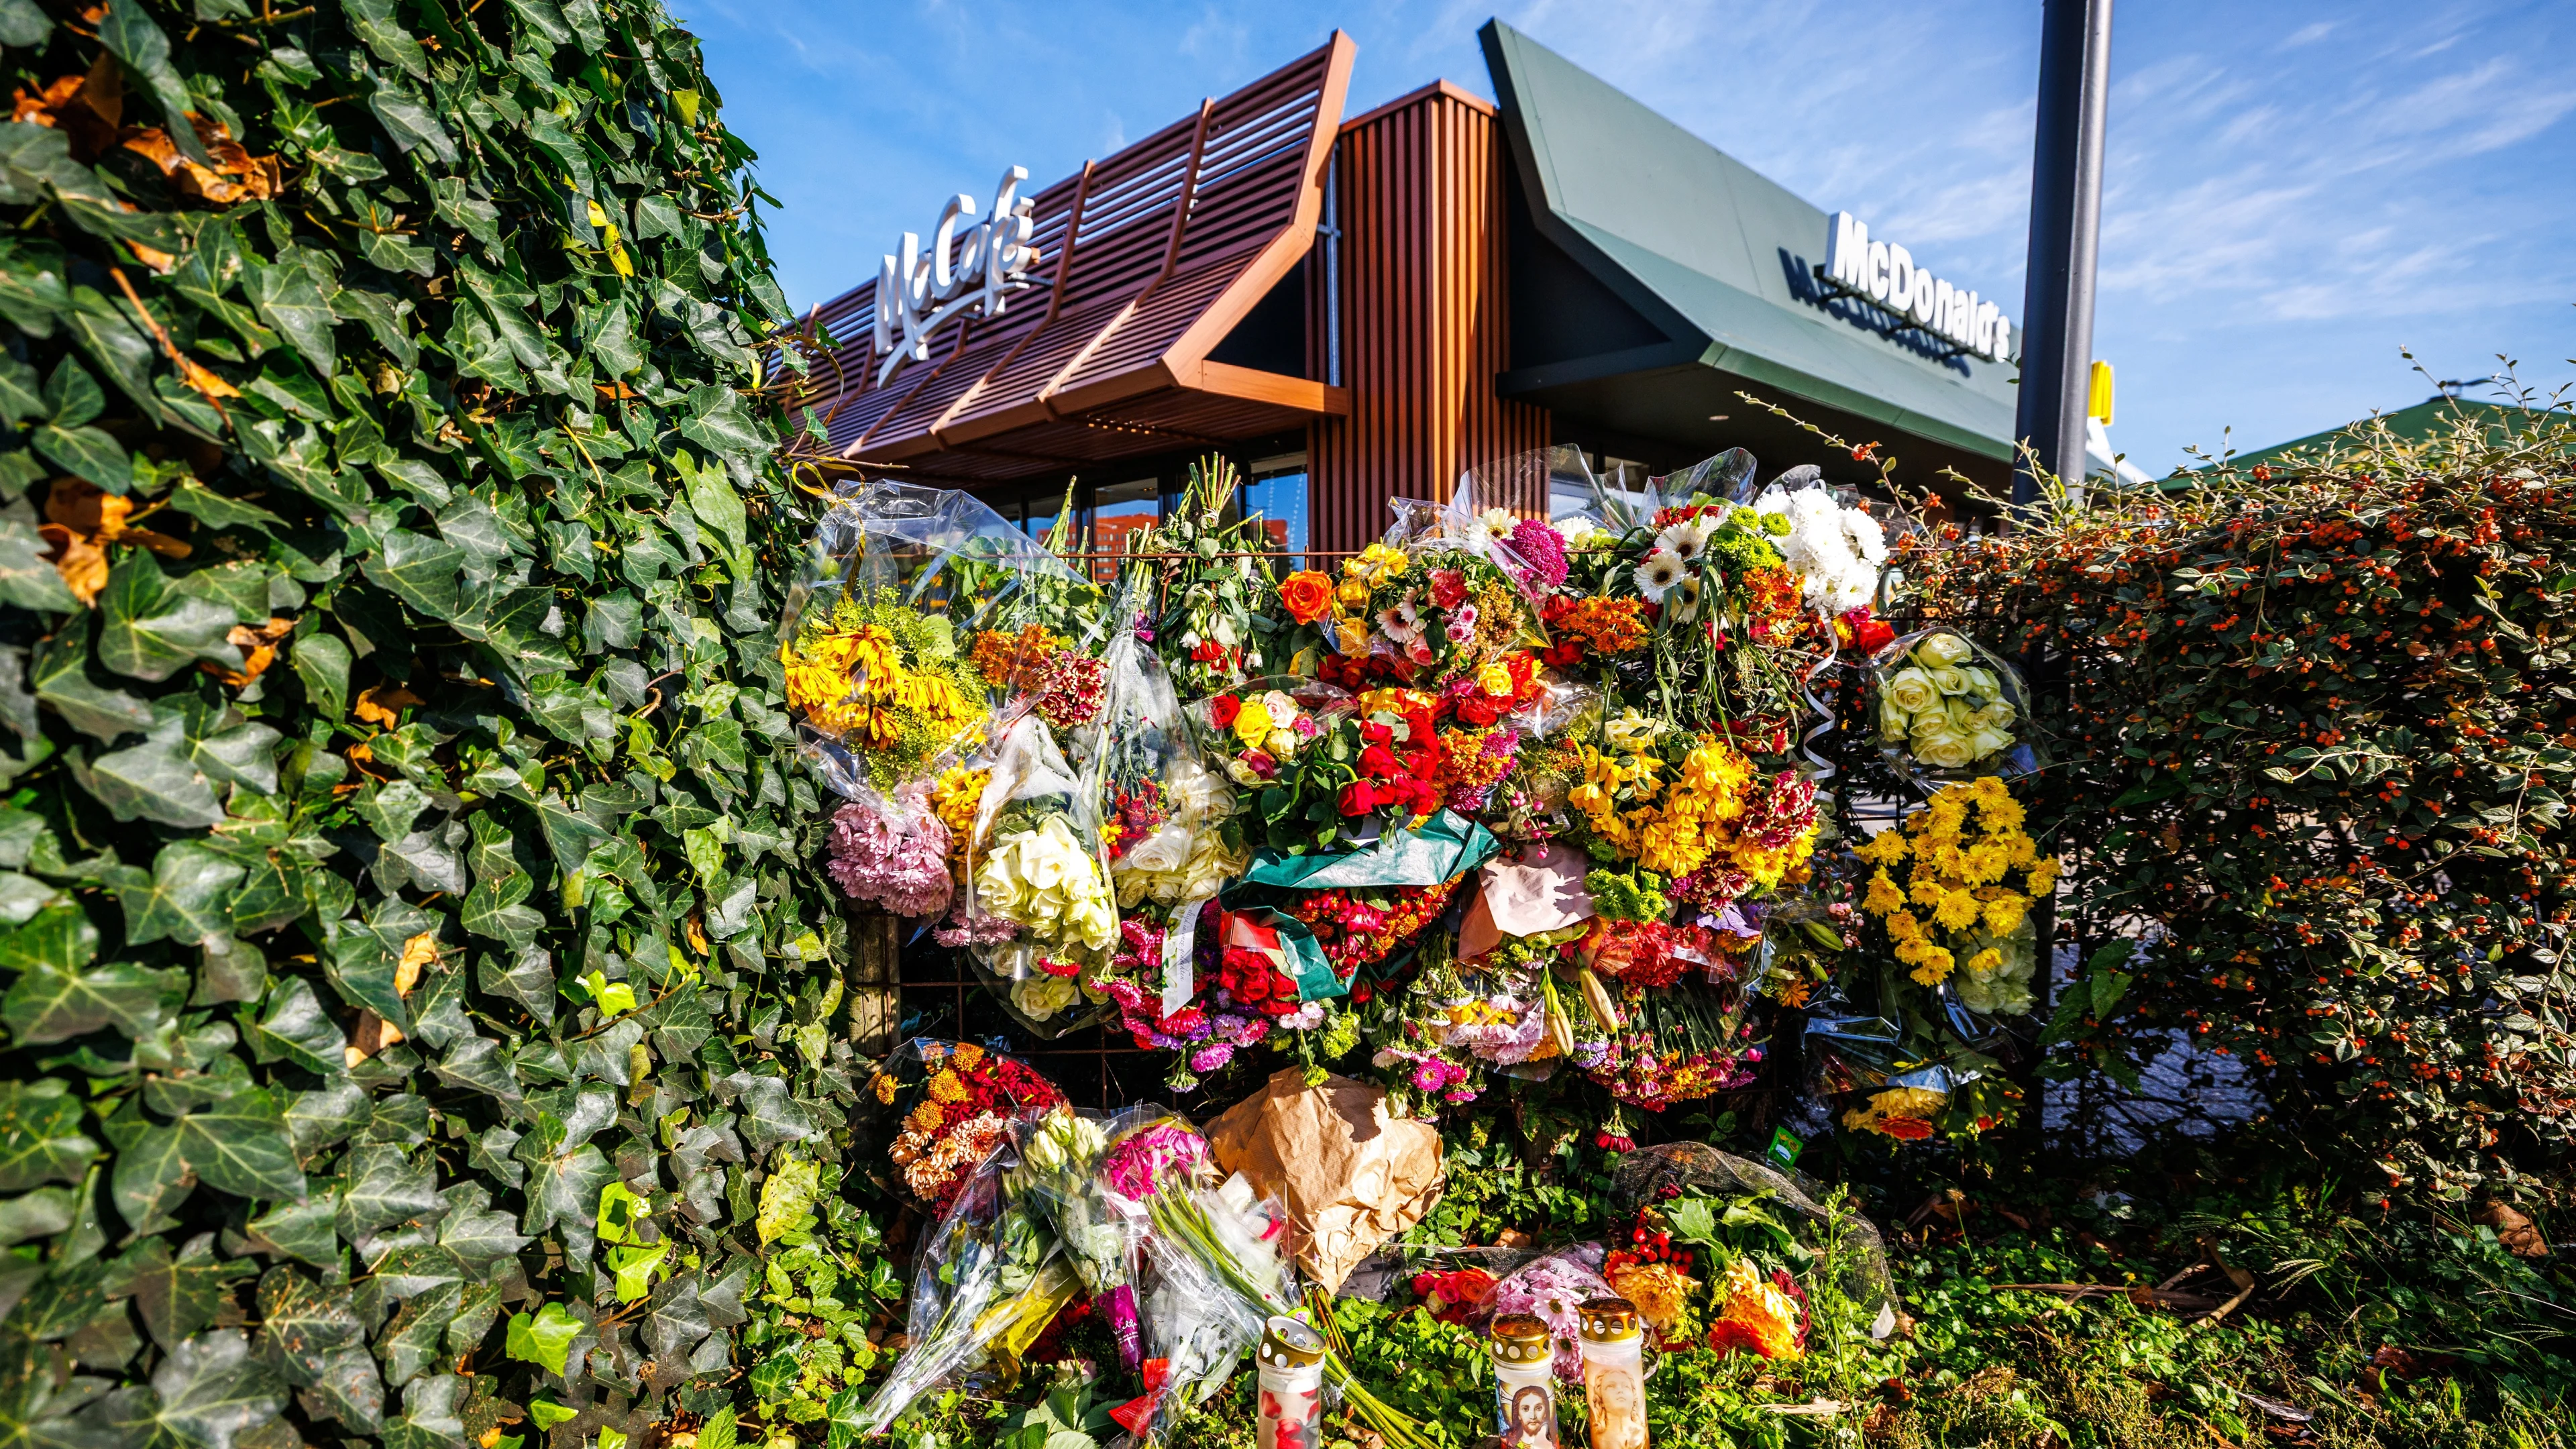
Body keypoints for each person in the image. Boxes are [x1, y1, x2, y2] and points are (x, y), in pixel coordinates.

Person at [1497, 1383, 1555, 1448]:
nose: (1533, 1416)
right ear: (1518, 1414)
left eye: (1539, 1408)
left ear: (1545, 1413)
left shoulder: (1554, 1442)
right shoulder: (1508, 1443)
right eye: (1525, 1409)